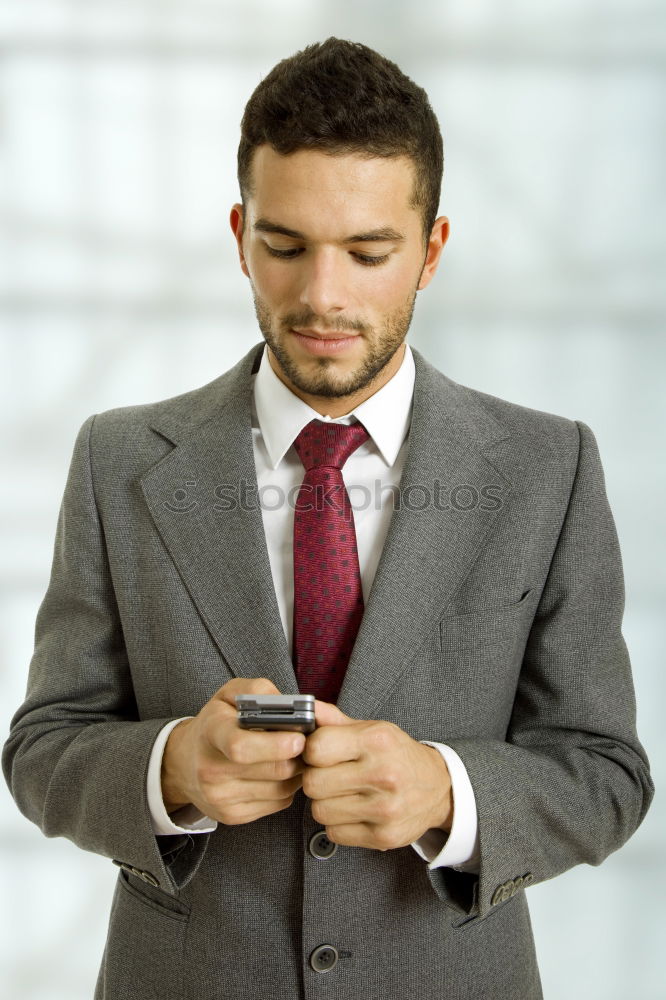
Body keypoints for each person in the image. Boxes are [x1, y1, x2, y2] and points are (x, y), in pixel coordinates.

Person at [2, 37, 654, 1000]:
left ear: (431, 250)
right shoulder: (119, 458)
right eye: (285, 246)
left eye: (368, 252)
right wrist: (171, 767)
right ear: (238, 236)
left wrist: (448, 792)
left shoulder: (548, 468)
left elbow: (606, 774)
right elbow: (45, 746)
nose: (322, 297)